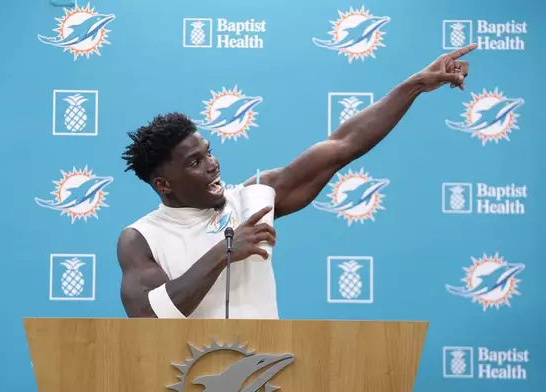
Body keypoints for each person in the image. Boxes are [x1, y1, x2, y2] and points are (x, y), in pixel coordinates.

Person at [117, 43, 477, 319]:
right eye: (195, 162)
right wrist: (223, 252)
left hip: (263, 371)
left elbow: (342, 145)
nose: (212, 165)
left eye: (208, 152)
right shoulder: (140, 238)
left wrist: (413, 86)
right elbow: (148, 316)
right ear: (164, 185)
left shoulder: (251, 199)